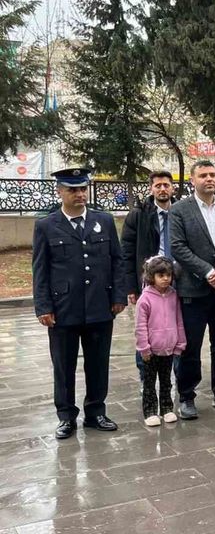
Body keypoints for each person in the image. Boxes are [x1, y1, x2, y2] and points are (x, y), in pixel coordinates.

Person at [32, 167, 126, 439]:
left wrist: (118, 296)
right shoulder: (46, 225)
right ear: (60, 191)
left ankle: (96, 412)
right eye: (73, 189)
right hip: (64, 309)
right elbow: (40, 269)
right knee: (64, 365)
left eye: (83, 188)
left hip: (100, 305)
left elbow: (117, 261)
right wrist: (43, 306)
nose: (80, 194)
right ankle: (66, 416)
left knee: (98, 363)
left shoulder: (104, 221)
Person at [169, 160, 215, 420]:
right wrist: (208, 272)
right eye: (203, 175)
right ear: (192, 180)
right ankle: (187, 396)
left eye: (213, 174)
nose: (209, 179)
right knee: (190, 346)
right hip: (194, 289)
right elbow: (178, 247)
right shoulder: (180, 210)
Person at [121, 170, 176, 384]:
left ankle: (173, 380)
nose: (162, 189)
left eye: (166, 185)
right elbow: (126, 251)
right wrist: (131, 287)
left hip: (177, 279)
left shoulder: (181, 211)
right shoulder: (139, 214)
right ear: (151, 188)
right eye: (158, 185)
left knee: (175, 330)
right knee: (148, 331)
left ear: (173, 188)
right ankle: (147, 379)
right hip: (149, 282)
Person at [135, 256, 186, 426]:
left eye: (168, 275)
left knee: (166, 381)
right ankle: (150, 411)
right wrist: (144, 347)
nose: (165, 279)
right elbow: (140, 326)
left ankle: (166, 409)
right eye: (160, 275)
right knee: (149, 382)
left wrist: (180, 343)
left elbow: (178, 320)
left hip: (169, 348)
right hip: (151, 350)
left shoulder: (174, 296)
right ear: (151, 277)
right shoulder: (145, 299)